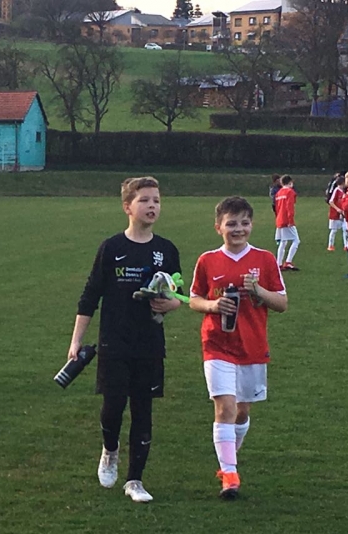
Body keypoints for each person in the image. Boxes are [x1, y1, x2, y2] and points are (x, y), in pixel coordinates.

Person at [68, 176, 182, 504]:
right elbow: (90, 296)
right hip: (114, 342)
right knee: (113, 408)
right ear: (127, 207)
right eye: (144, 200)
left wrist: (170, 304)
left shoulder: (166, 250)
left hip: (149, 344)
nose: (152, 206)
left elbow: (179, 293)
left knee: (143, 410)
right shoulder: (112, 248)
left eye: (156, 200)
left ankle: (135, 480)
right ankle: (110, 450)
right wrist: (76, 341)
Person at [189, 196, 288, 500]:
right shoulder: (208, 260)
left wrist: (258, 290)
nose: (238, 229)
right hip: (217, 344)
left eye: (244, 223)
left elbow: (282, 303)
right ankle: (229, 475)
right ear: (218, 227)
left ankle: (230, 454)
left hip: (252, 345)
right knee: (225, 407)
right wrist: (213, 305)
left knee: (241, 412)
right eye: (231, 224)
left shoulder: (264, 259)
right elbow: (194, 299)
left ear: (252, 225)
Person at [273, 175, 300, 271]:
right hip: (286, 219)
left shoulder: (279, 193)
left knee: (283, 242)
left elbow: (276, 207)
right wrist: (290, 220)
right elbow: (290, 207)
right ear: (290, 182)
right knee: (296, 240)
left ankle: (279, 263)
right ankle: (288, 262)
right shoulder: (290, 192)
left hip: (279, 219)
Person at [326, 174, 348, 251]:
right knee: (334, 230)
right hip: (335, 214)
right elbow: (331, 201)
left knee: (345, 229)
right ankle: (330, 245)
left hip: (343, 214)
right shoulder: (336, 190)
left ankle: (346, 245)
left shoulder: (344, 191)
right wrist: (337, 209)